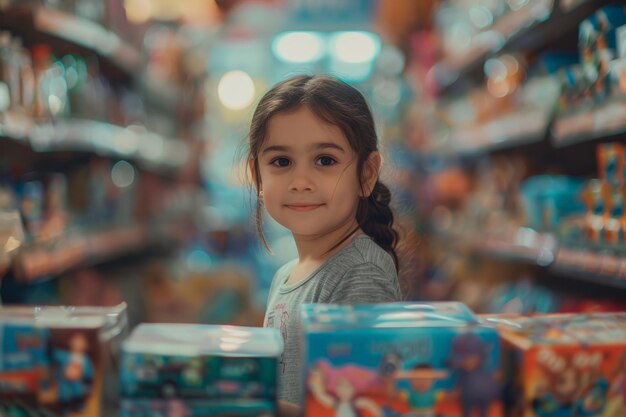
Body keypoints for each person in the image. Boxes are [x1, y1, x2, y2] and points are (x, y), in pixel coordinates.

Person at [245, 74, 403, 413]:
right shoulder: (286, 276)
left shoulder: (360, 272)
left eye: (325, 161)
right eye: (281, 162)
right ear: (257, 175)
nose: (301, 181)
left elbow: (359, 407)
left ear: (366, 173)